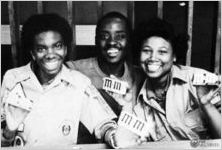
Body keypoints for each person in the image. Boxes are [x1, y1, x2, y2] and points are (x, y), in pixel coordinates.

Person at [1, 13, 121, 147]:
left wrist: (113, 135)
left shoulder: (79, 82)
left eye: (57, 46)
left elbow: (103, 123)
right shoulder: (12, 78)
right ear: (33, 54)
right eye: (41, 48)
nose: (50, 54)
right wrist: (8, 131)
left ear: (65, 49)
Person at [129, 18, 221, 142]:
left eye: (162, 52)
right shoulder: (138, 100)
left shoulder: (198, 80)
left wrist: (207, 105)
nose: (153, 58)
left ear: (175, 56)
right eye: (146, 51)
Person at [66, 12, 145, 143]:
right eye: (104, 36)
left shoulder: (139, 76)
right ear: (95, 40)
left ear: (129, 40)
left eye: (120, 36)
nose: (112, 42)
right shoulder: (74, 70)